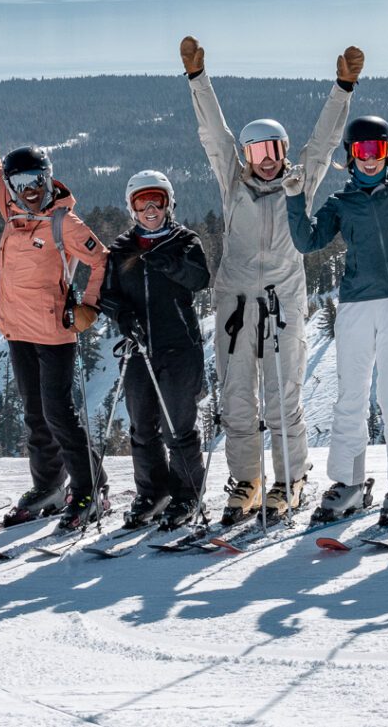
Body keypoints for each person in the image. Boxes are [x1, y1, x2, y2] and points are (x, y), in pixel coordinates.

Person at [182, 37, 356, 525]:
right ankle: (247, 481)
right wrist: (199, 79)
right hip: (236, 306)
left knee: (283, 398)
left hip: (283, 303)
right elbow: (213, 136)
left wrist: (343, 88)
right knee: (237, 399)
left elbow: (322, 144)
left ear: (282, 150)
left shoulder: (298, 184)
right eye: (255, 149)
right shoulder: (233, 183)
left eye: (272, 148)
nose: (265, 157)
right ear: (248, 153)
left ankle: (290, 479)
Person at [0, 81, 111, 534]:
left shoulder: (65, 221)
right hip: (17, 330)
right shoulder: (12, 211)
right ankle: (48, 485)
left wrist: (88, 306)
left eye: (35, 182)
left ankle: (90, 487)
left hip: (53, 331)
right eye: (19, 184)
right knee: (34, 413)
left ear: (48, 178)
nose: (28, 190)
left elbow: (101, 259)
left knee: (59, 413)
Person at [287, 115, 388, 527]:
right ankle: (350, 484)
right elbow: (308, 241)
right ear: (350, 157)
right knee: (350, 398)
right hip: (356, 305)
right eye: (361, 152)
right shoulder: (341, 203)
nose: (369, 160)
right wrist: (294, 199)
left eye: (377, 151)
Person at [97, 171, 213, 533]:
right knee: (141, 424)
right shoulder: (121, 249)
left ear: (169, 203)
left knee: (178, 425)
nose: (150, 209)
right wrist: (122, 316)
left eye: (157, 201)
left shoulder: (185, 241)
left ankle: (187, 494)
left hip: (178, 346)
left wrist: (171, 264)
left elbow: (200, 279)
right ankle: (153, 492)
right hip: (138, 347)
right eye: (141, 202)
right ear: (131, 207)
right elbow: (107, 295)